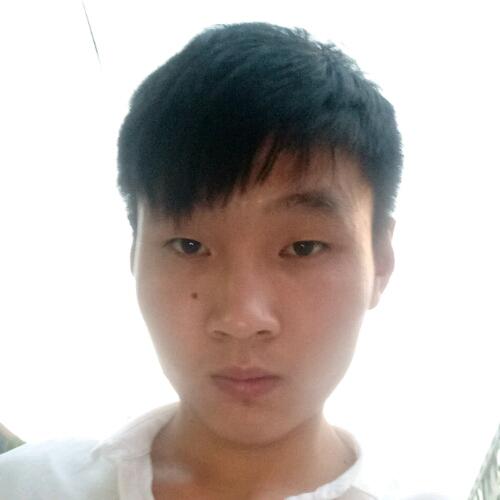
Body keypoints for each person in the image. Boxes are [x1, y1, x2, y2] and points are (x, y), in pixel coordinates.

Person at [0, 22, 402, 499]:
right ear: (135, 252)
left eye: (303, 247)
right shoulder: (27, 484)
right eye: (189, 245)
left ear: (380, 261)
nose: (241, 320)